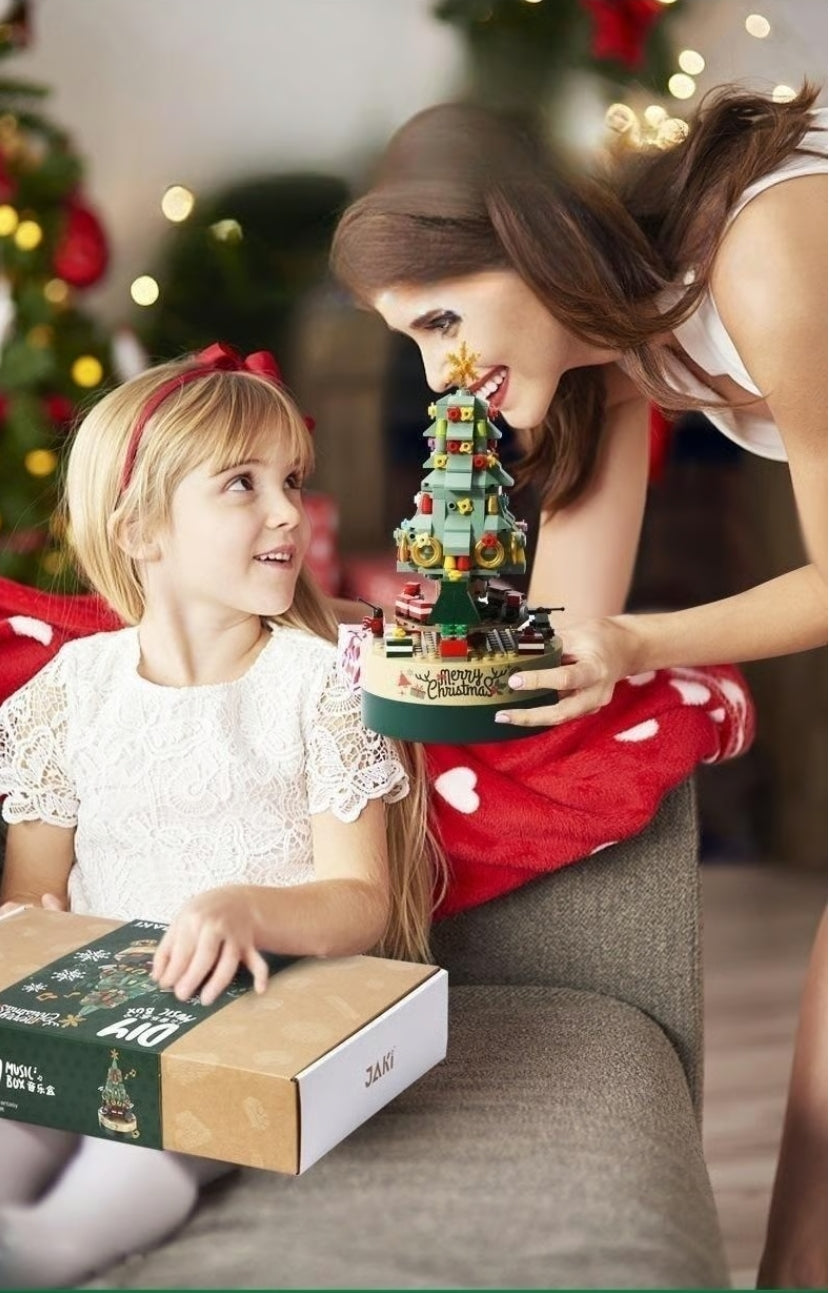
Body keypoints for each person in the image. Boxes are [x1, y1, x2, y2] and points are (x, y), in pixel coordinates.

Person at [331, 85, 827, 1289]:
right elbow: (563, 635)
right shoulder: (615, 349)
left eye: (443, 317)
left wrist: (643, 646)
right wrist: (379, 658)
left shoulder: (764, 258)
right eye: (410, 341)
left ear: (533, 245)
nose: (441, 371)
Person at [0, 343, 442, 1289]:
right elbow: (32, 898)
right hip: (98, 1009)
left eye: (290, 478)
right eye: (242, 483)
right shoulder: (68, 694)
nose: (287, 509)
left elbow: (363, 896)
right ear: (140, 530)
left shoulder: (321, 682)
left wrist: (247, 909)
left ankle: (46, 1254)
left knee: (140, 1137)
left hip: (259, 1008)